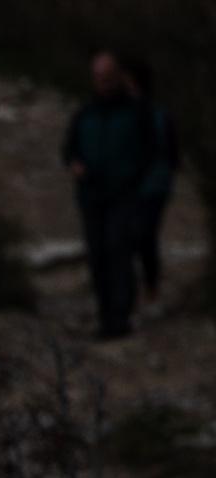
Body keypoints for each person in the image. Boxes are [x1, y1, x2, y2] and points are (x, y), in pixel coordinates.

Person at [62, 50, 154, 339]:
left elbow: (151, 151)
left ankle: (120, 317)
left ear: (118, 78)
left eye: (109, 77)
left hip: (123, 196)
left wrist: (138, 182)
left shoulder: (136, 111)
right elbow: (68, 149)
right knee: (98, 255)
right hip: (91, 197)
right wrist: (74, 165)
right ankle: (105, 317)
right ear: (93, 79)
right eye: (99, 78)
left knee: (118, 251)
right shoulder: (84, 113)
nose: (104, 83)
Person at [126, 57, 182, 305]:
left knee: (144, 235)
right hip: (137, 185)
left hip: (153, 185)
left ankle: (149, 285)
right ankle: (139, 286)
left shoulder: (154, 116)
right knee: (135, 236)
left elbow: (172, 154)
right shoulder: (128, 113)